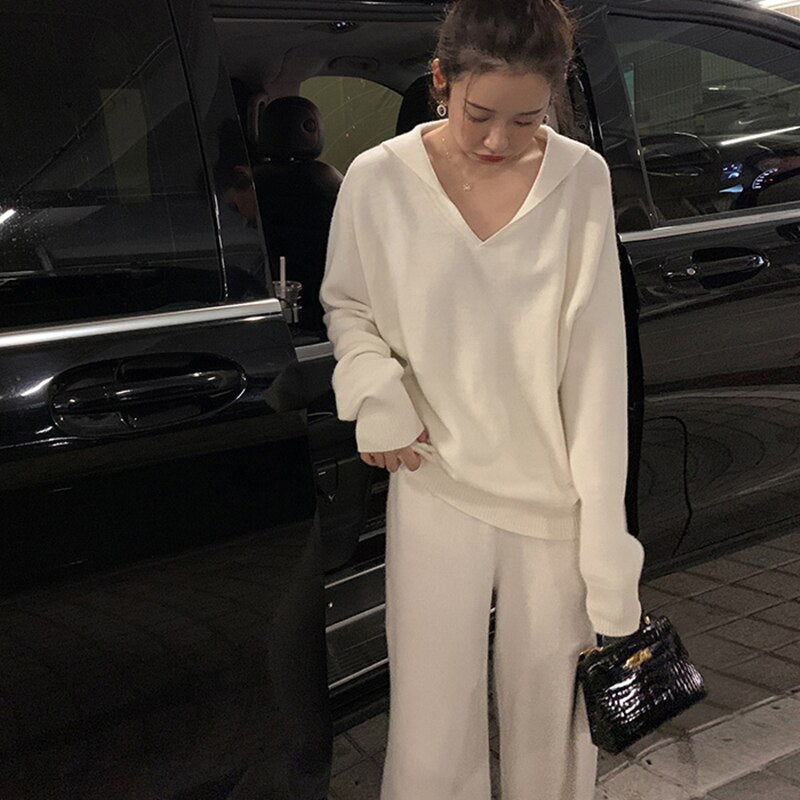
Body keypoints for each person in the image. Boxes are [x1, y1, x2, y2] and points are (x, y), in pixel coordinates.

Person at [318, 1, 645, 798]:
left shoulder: (579, 179)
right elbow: (349, 307)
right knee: (431, 734)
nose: (500, 139)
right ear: (442, 81)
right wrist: (374, 392)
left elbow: (597, 370)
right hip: (434, 481)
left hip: (553, 500)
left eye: (527, 120)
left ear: (552, 99)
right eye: (480, 115)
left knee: (553, 728)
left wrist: (609, 548)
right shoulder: (379, 179)